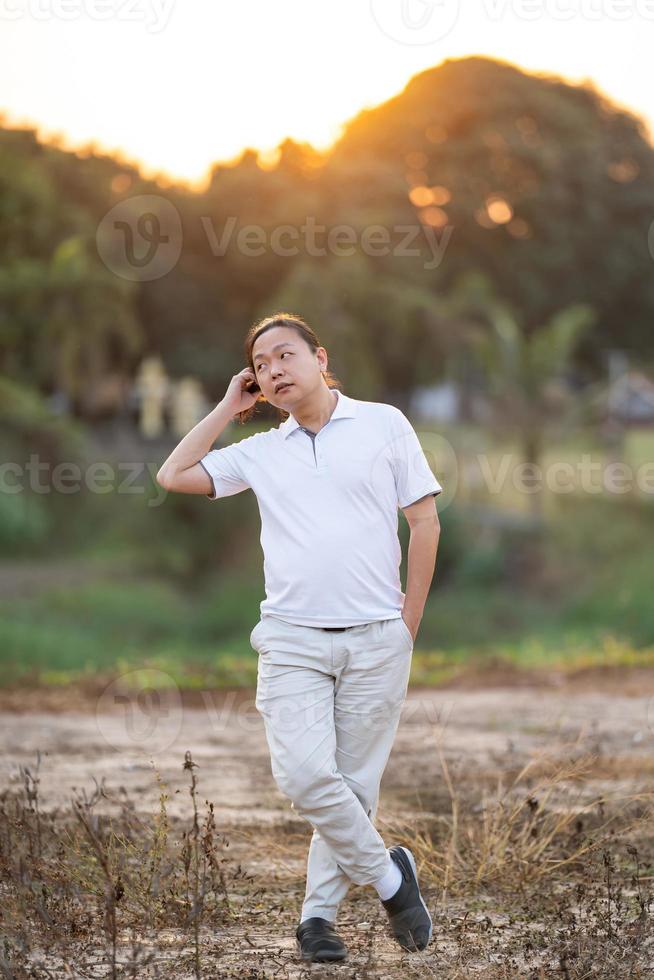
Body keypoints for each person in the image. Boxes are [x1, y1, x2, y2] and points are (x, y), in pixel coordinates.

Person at [156, 312, 443, 963]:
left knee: (354, 783)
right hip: (291, 641)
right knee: (308, 776)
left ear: (320, 357)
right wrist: (229, 408)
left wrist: (409, 626)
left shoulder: (384, 424)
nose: (274, 371)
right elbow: (173, 475)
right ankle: (393, 880)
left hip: (379, 639)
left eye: (285, 356)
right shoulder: (261, 452)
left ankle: (317, 920)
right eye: (260, 366)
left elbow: (424, 523)